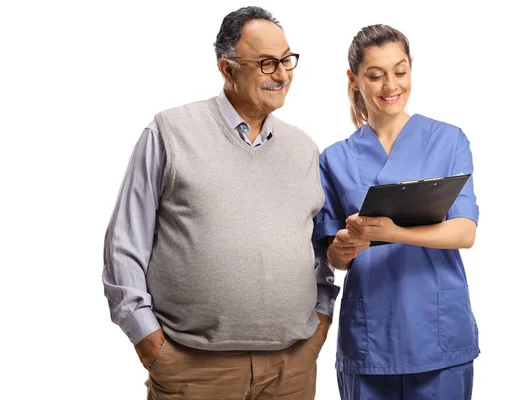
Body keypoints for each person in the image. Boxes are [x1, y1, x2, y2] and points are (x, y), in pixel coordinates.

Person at [102, 6, 338, 399]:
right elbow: (124, 244)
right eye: (266, 63)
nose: (281, 74)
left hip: (291, 368)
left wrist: (321, 322)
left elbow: (319, 249)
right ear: (227, 68)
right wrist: (149, 341)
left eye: (286, 60)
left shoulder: (304, 148)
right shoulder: (170, 132)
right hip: (192, 367)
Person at [313, 24, 480, 399]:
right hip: (372, 336)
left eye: (400, 72)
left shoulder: (449, 140)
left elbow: (465, 232)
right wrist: (343, 245)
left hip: (438, 330)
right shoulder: (335, 158)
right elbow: (334, 257)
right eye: (376, 75)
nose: (391, 86)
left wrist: (392, 233)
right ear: (354, 79)